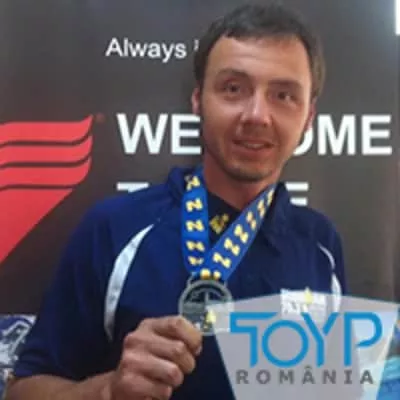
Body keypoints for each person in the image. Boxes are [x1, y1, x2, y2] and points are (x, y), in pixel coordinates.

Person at [5, 3, 348, 400]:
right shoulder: (114, 228)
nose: (257, 115)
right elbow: (22, 391)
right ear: (198, 100)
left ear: (308, 118)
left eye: (283, 95)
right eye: (233, 88)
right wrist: (108, 391)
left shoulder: (322, 243)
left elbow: (329, 390)